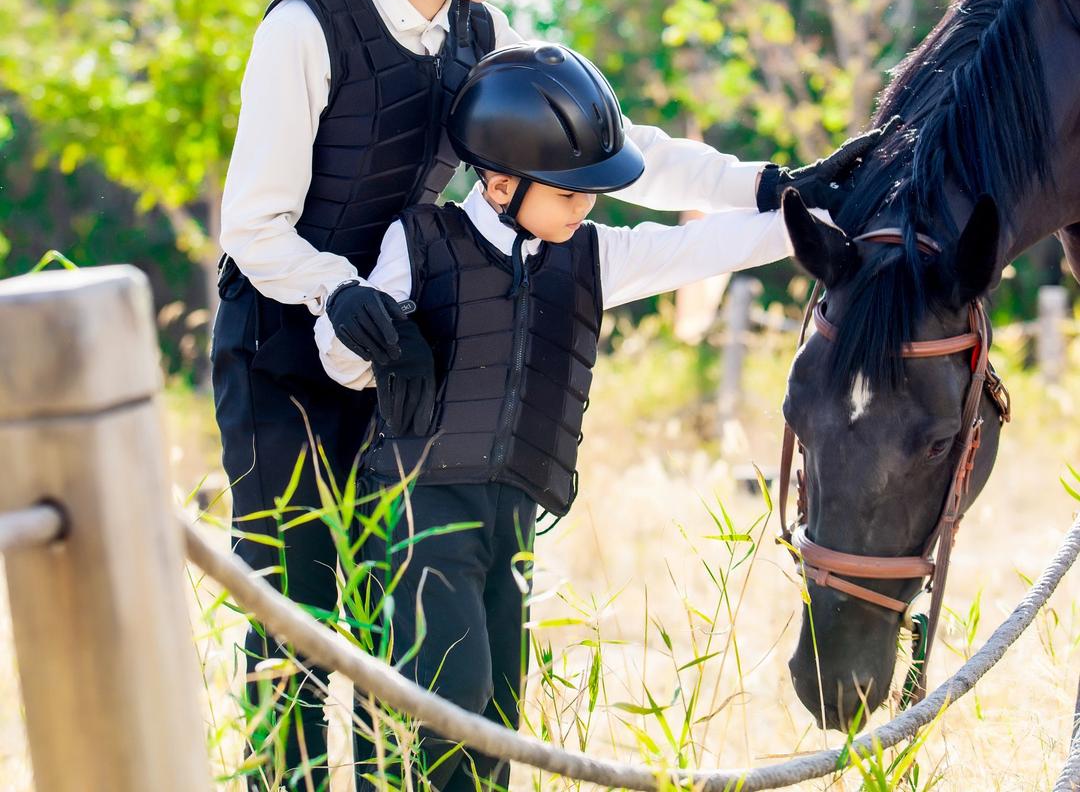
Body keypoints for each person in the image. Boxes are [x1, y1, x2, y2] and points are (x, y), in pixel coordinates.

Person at [213, 0, 883, 790]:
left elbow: (603, 143)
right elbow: (253, 227)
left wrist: (767, 186)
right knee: (298, 639)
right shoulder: (306, 29)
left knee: (405, 645)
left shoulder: (480, 29)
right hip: (287, 353)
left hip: (412, 348)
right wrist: (339, 291)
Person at [314, 42, 865, 790]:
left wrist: (818, 203)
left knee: (498, 716)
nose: (587, 206)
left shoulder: (590, 256)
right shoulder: (419, 244)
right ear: (500, 183)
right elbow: (341, 363)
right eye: (570, 193)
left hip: (510, 523)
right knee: (450, 698)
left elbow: (703, 247)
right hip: (419, 513)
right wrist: (353, 319)